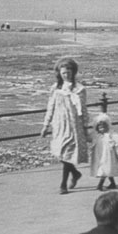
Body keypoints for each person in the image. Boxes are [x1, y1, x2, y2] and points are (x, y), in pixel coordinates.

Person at [41, 58, 89, 195]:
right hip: (60, 125)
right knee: (62, 153)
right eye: (63, 73)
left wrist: (86, 126)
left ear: (73, 72)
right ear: (59, 73)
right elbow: (50, 107)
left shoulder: (79, 89)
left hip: (74, 125)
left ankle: (63, 184)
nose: (66, 75)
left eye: (69, 72)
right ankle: (75, 173)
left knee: (68, 152)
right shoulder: (55, 88)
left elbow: (84, 109)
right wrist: (46, 125)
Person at [90, 113, 118, 191]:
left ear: (107, 126)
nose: (101, 127)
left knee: (104, 169)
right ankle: (113, 183)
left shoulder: (111, 135)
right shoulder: (97, 135)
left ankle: (100, 185)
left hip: (108, 156)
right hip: (99, 156)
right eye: (99, 126)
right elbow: (89, 139)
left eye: (103, 126)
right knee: (106, 169)